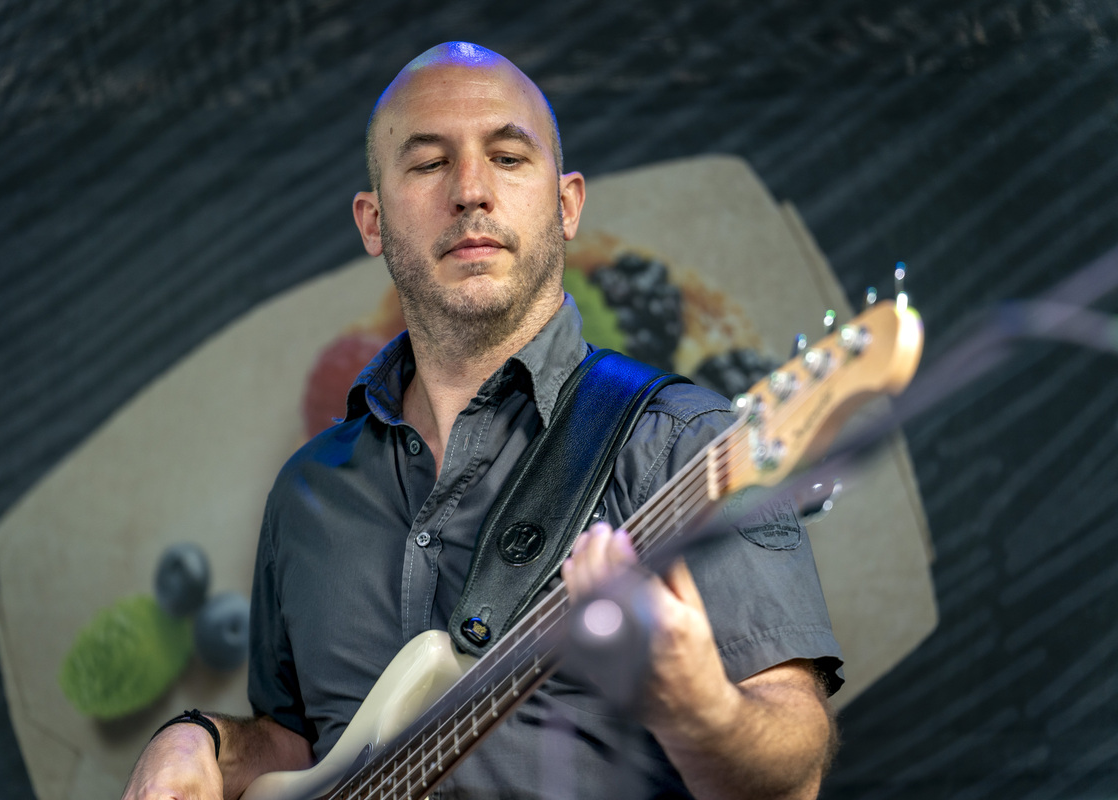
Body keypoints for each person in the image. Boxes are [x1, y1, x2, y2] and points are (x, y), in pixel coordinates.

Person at [123, 41, 843, 800]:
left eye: (507, 157)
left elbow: (791, 778)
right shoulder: (309, 491)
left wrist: (700, 708)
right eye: (429, 163)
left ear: (566, 205)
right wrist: (199, 739)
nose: (470, 190)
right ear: (372, 221)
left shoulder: (686, 444)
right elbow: (297, 743)